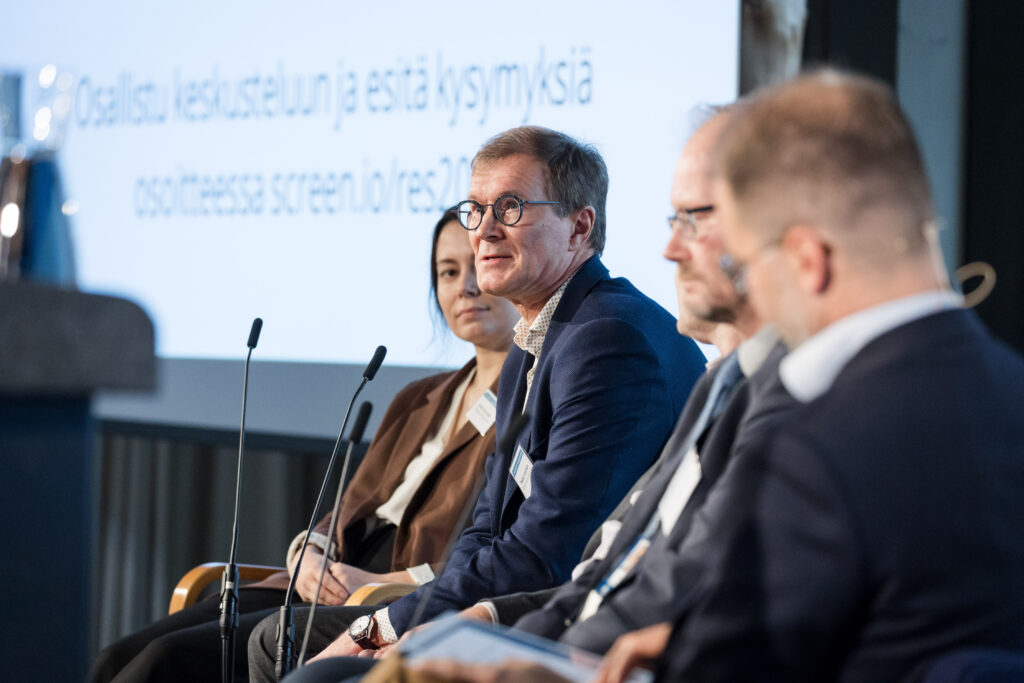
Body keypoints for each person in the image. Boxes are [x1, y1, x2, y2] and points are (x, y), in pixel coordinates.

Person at [272, 109, 786, 683]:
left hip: (571, 633)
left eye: (511, 208)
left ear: (579, 227)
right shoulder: (534, 339)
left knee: (298, 660)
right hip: (526, 611)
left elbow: (551, 551)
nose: (484, 230)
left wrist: (395, 626)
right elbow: (485, 524)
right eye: (475, 210)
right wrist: (421, 622)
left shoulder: (607, 338)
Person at [655, 68, 1024, 681]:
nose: (753, 290)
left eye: (746, 264)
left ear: (808, 261)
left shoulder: (808, 453)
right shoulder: (1011, 390)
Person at [89, 208, 521, 683]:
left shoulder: (526, 406)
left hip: (389, 599)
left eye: (478, 266)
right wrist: (308, 553)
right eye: (448, 272)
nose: (466, 287)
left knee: (165, 661)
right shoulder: (418, 397)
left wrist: (380, 583)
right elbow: (347, 509)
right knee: (117, 656)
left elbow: (502, 553)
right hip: (319, 583)